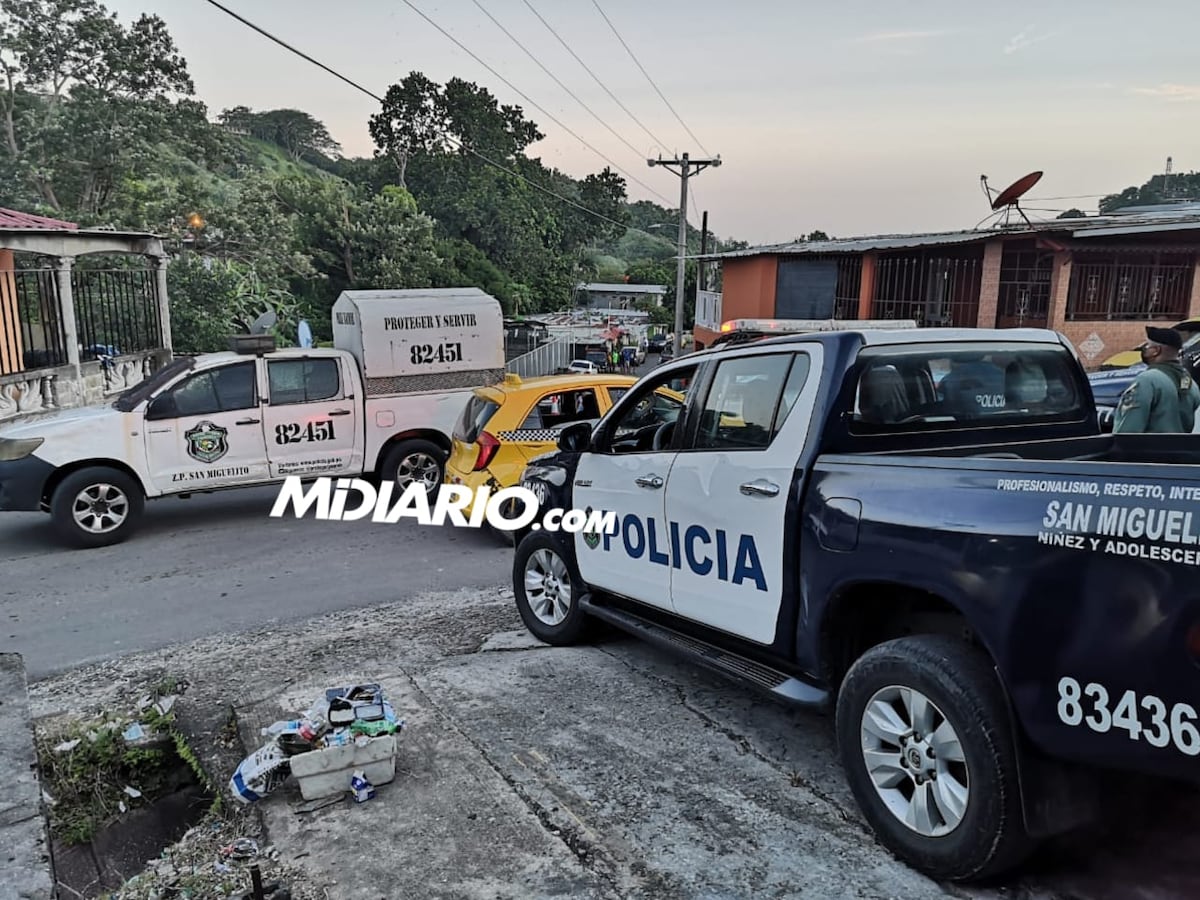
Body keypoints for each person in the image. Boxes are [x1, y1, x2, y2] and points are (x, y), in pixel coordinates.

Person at [1112, 326, 1200, 433]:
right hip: (1180, 448)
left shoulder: (1147, 380)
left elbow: (1128, 430)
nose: (1144, 349)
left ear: (1156, 351)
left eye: (1147, 346)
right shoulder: (1191, 384)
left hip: (1147, 449)